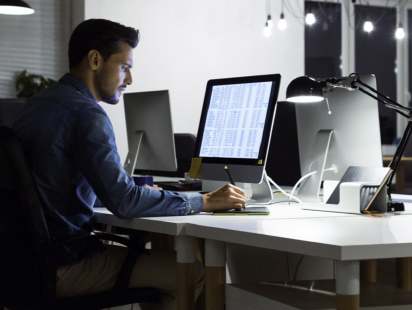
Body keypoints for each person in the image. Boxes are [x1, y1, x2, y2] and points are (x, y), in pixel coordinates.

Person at [12, 19, 247, 309]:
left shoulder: (34, 105)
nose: (129, 80)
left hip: (20, 267)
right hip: (65, 265)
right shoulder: (86, 115)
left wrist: (135, 188)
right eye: (125, 67)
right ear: (95, 59)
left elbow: (54, 181)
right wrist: (203, 201)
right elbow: (123, 202)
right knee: (193, 274)